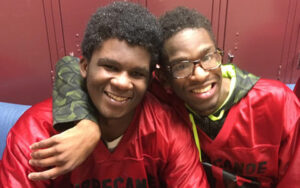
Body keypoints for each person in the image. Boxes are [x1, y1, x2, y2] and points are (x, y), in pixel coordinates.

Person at [28, 6, 300, 188]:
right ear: (165, 80)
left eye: (207, 57)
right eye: (182, 65)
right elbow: (72, 66)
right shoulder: (155, 91)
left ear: (219, 56)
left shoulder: (276, 102)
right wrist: (87, 124)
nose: (199, 75)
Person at [0, 2, 209, 187]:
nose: (122, 83)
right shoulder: (36, 132)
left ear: (150, 79)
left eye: (136, 73)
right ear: (84, 66)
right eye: (110, 67)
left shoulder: (167, 128)